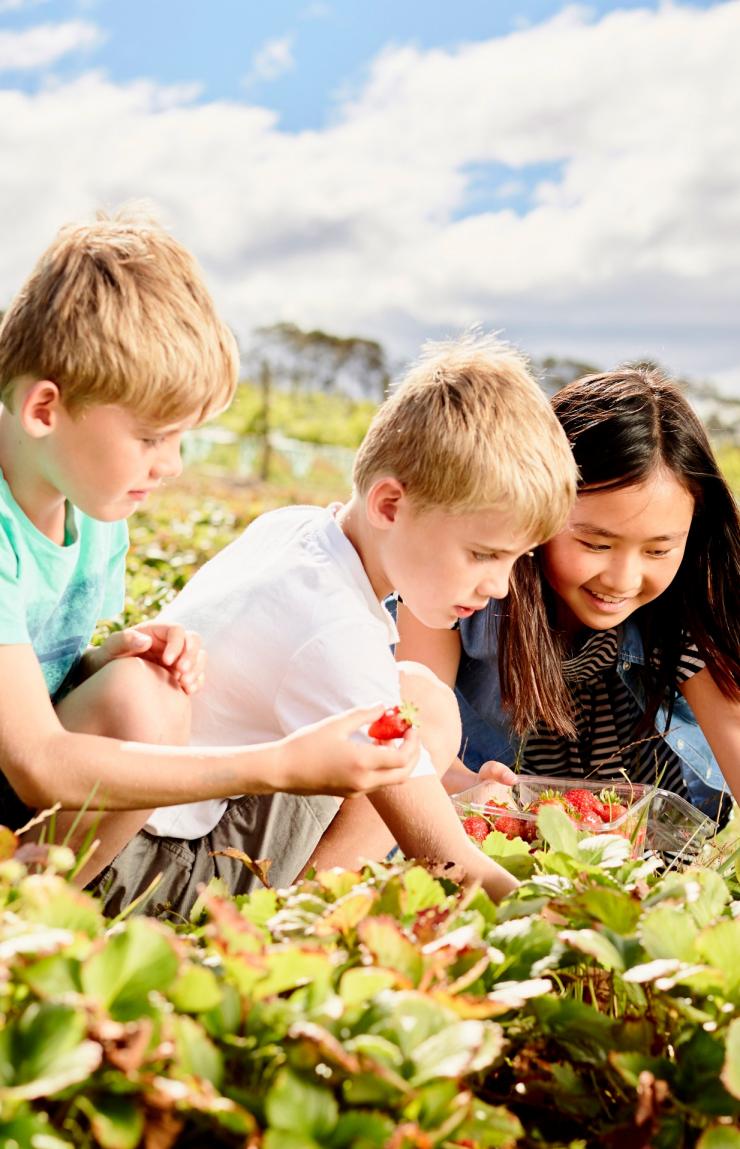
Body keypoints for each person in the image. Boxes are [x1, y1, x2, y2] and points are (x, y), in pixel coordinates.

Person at [0, 208, 421, 897]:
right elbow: (40, 764)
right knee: (142, 704)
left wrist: (104, 657)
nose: (169, 465)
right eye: (151, 437)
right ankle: (24, 915)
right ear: (45, 410)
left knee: (149, 689)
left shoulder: (91, 502)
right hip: (29, 780)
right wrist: (277, 764)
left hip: (27, 799)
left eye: (181, 439)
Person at [92, 331, 579, 915]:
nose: (498, 586)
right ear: (389, 506)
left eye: (514, 560)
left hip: (129, 822)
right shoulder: (335, 631)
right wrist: (561, 918)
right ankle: (298, 915)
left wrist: (462, 787)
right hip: (151, 873)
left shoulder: (295, 530)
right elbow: (445, 858)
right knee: (414, 722)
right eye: (482, 554)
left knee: (421, 695)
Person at [397, 367, 740, 819]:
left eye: (659, 549)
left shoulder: (686, 605)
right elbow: (414, 735)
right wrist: (474, 791)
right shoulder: (461, 588)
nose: (622, 578)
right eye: (596, 544)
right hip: (491, 829)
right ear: (537, 511)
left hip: (644, 839)